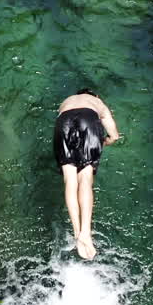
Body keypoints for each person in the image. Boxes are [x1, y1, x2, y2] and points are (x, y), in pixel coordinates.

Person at [53, 89, 120, 259]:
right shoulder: (97, 102)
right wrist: (107, 140)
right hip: (89, 120)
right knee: (85, 177)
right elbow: (114, 135)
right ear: (95, 96)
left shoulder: (66, 101)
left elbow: (62, 118)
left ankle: (77, 233)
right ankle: (86, 232)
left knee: (70, 179)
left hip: (63, 122)